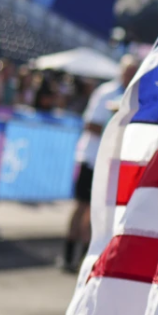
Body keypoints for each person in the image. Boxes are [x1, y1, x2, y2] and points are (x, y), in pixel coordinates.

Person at [60, 54, 138, 272]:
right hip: (93, 159)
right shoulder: (106, 93)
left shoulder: (136, 95)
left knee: (97, 211)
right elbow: (90, 124)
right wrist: (113, 124)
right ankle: (68, 254)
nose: (130, 76)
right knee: (82, 206)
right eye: (128, 71)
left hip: (112, 163)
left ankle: (86, 257)